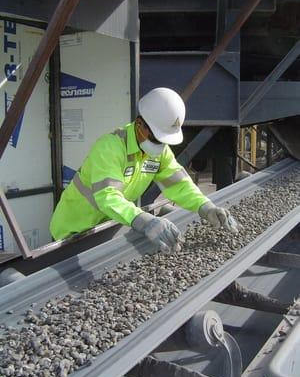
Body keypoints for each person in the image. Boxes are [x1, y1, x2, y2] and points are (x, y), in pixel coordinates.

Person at [50, 87, 238, 253]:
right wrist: (143, 220)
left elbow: (179, 184)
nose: (161, 145)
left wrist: (205, 207)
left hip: (106, 226)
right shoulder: (109, 148)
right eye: (157, 138)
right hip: (72, 230)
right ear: (140, 124)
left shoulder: (159, 153)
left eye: (164, 140)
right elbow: (108, 196)